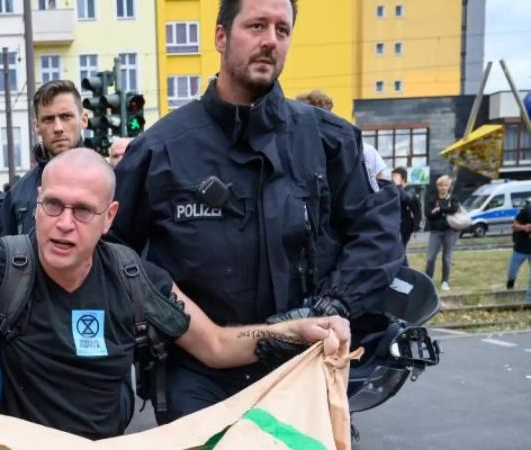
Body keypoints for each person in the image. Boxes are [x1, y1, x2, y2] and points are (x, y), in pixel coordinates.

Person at [110, 0, 403, 424]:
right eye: (256, 26)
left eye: (282, 30)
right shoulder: (160, 150)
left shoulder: (329, 141)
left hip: (304, 365)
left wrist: (331, 305)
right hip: (197, 377)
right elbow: (114, 252)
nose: (270, 41)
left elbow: (378, 236)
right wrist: (168, 310)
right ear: (221, 36)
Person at [0, 149, 350, 439]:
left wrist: (297, 331)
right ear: (37, 203)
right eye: (53, 205)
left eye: (83, 211)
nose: (64, 224)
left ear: (109, 217)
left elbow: (215, 344)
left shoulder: (133, 277)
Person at [0, 80, 90, 235]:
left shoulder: (109, 182)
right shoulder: (18, 194)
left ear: (83, 119)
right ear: (37, 126)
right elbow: (6, 251)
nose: (58, 128)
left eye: (66, 116)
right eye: (48, 119)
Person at [424, 174, 460, 291]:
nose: (443, 187)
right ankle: (428, 280)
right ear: (437, 186)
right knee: (430, 257)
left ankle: (445, 281)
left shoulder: (453, 198)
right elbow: (429, 214)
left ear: (449, 186)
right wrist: (444, 211)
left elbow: (454, 209)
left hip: (450, 232)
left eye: (445, 185)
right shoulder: (432, 198)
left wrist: (439, 209)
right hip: (435, 232)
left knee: (446, 258)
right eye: (440, 185)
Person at [391, 167, 422, 248]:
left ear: (403, 179)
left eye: (395, 176)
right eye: (392, 176)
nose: (393, 179)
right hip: (394, 224)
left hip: (405, 225)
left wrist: (417, 224)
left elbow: (416, 208)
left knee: (400, 248)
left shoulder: (410, 190)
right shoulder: (393, 189)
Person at [507, 199, 531, 300]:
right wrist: (524, 227)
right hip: (521, 248)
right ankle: (511, 281)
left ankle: (528, 300)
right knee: (512, 271)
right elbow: (514, 225)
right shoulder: (527, 211)